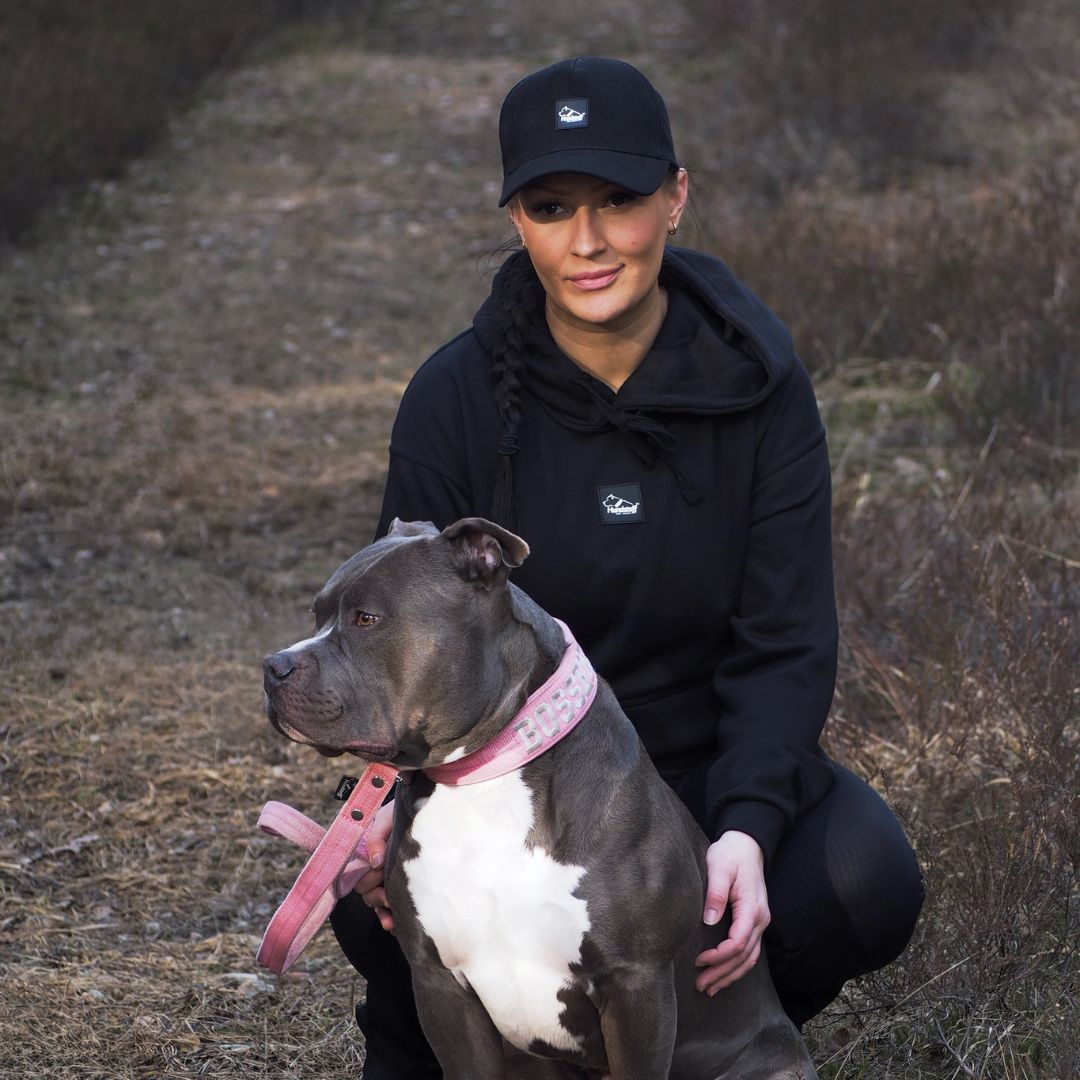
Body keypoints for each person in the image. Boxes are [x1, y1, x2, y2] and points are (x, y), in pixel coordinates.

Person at [329, 56, 923, 1079]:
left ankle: (696, 1040)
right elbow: (398, 641)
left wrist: (744, 829)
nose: (589, 240)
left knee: (863, 879)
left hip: (692, 771)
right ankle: (451, 1043)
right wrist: (386, 806)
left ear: (677, 196)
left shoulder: (763, 384)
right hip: (499, 784)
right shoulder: (453, 397)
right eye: (553, 206)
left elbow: (785, 642)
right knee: (370, 899)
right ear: (518, 219)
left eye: (621, 201)